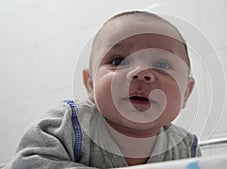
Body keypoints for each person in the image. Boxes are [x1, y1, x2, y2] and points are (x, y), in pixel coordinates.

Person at [5, 10, 201, 169]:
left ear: (186, 93)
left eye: (162, 64)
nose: (141, 72)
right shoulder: (67, 124)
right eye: (117, 61)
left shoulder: (186, 147)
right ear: (90, 84)